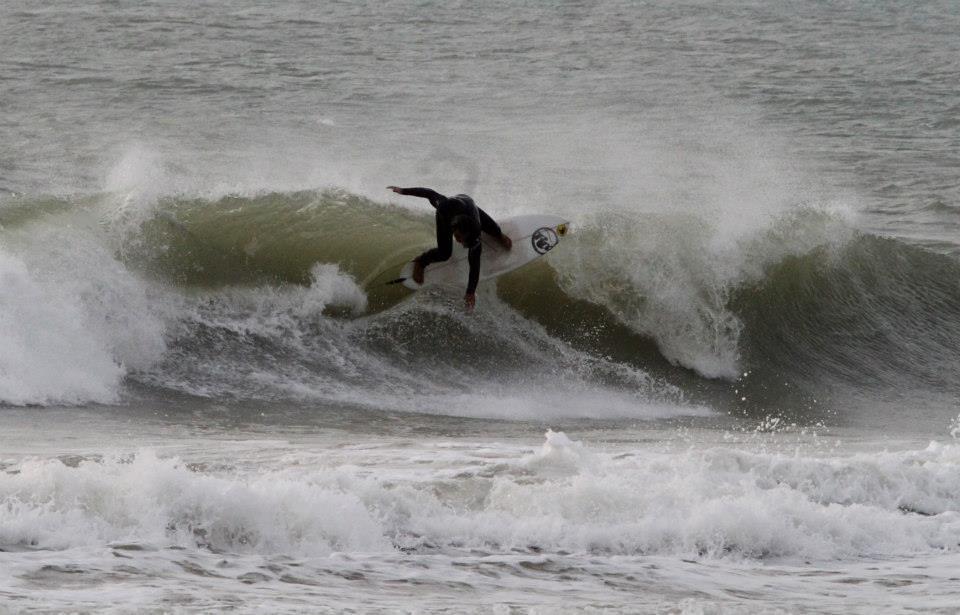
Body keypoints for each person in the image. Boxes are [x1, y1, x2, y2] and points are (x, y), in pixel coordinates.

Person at [387, 186, 512, 311]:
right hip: (447, 215)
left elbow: (475, 264)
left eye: (461, 240)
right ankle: (420, 262)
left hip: (469, 207)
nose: (459, 242)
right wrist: (403, 191)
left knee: (494, 229)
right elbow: (429, 193)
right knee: (444, 253)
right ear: (455, 229)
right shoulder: (445, 207)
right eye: (458, 238)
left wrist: (470, 292)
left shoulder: (475, 229)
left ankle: (499, 236)